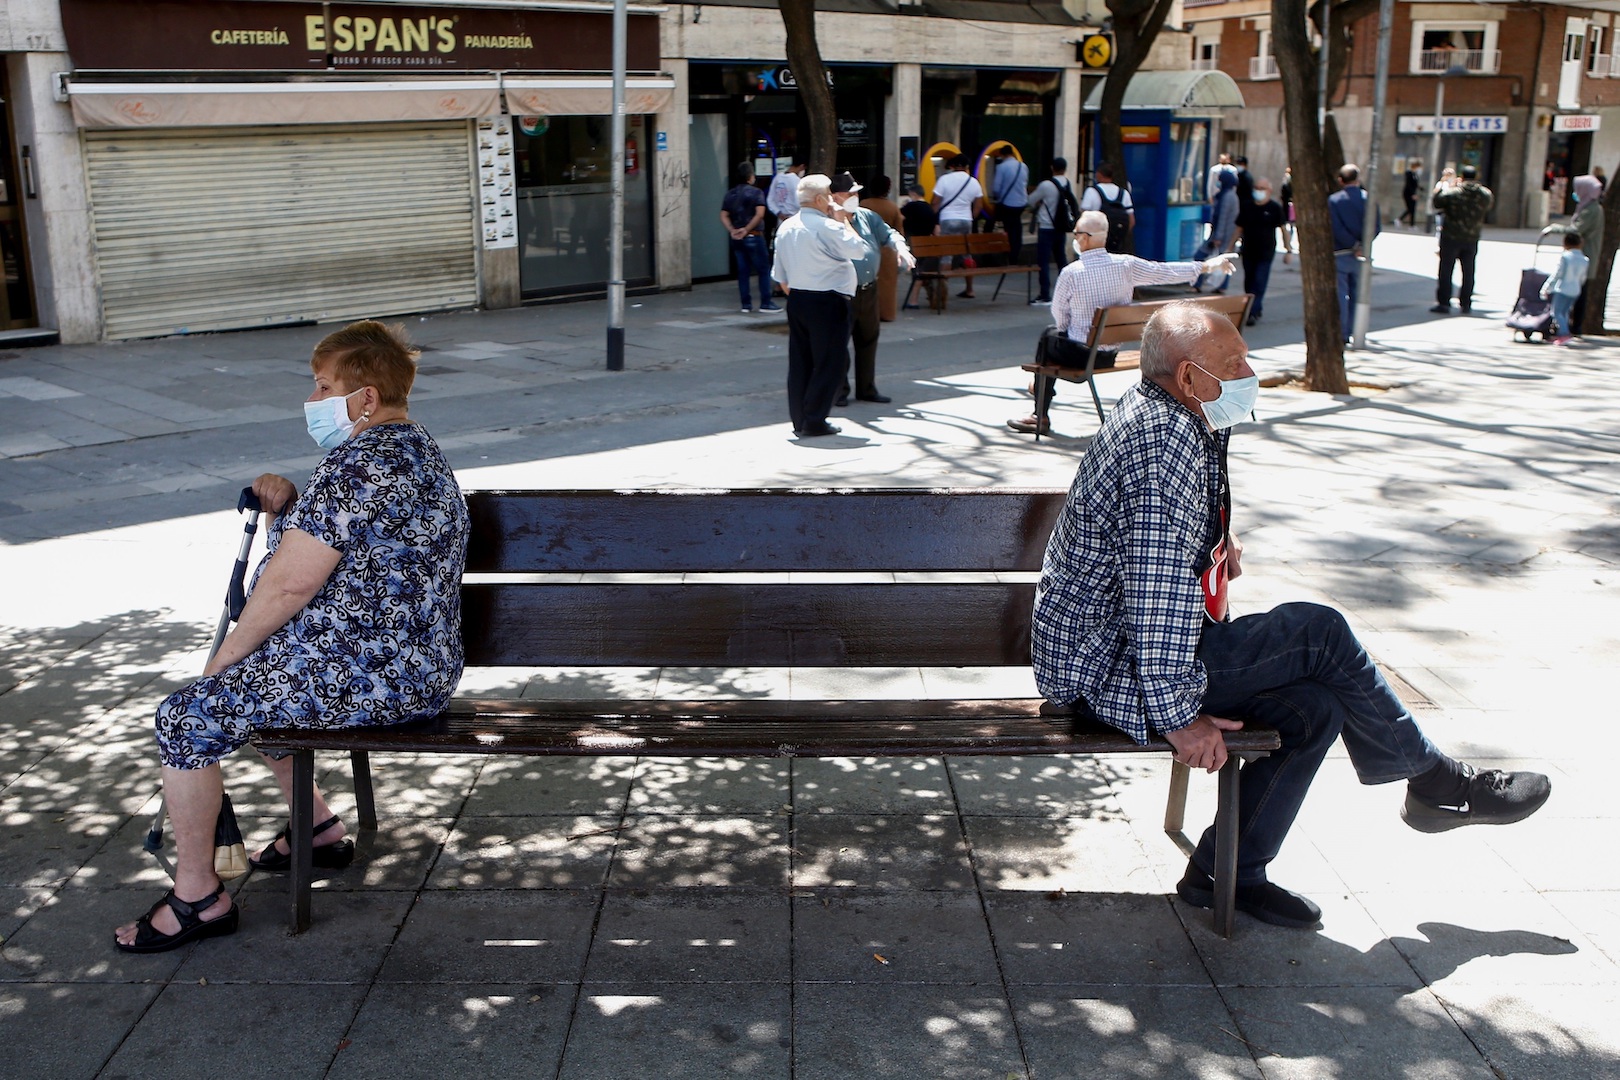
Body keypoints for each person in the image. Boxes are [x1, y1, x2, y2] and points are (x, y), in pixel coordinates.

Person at [1031, 301, 1551, 929]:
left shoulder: (1175, 411)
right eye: (1234, 363)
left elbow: (1157, 550)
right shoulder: (1161, 442)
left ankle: (1228, 873)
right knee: (1318, 630)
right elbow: (1154, 588)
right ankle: (1439, 783)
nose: (1250, 371)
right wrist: (1177, 718)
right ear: (1191, 378)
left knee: (1316, 709)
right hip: (1106, 668)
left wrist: (1213, 537)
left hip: (1120, 648)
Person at [113, 320, 471, 953]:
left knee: (186, 716)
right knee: (259, 683)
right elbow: (353, 555)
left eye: (322, 385)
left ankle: (199, 895)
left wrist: (221, 662)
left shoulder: (358, 467)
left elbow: (286, 589)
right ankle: (319, 829)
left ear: (363, 398)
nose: (312, 401)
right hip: (413, 667)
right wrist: (288, 506)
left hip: (374, 676)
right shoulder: (416, 452)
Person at [1006, 210, 1235, 435]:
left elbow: (1060, 317)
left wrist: (1067, 331)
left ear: (1085, 238)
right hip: (1108, 355)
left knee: (1049, 336)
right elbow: (1164, 271)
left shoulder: (1071, 273)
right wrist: (1208, 265)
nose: (1075, 238)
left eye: (1076, 234)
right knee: (1050, 337)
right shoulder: (1126, 265)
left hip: (1081, 355)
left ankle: (1040, 410)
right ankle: (1039, 391)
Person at [770, 173, 869, 439]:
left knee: (801, 361)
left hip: (800, 298)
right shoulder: (828, 225)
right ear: (819, 199)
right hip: (828, 300)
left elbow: (780, 275)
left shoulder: (786, 226)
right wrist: (842, 221)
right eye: (828, 194)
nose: (832, 199)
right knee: (829, 362)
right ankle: (814, 418)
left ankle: (801, 418)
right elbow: (859, 250)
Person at [829, 171, 914, 407]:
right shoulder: (829, 221)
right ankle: (839, 391)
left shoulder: (867, 217)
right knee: (839, 343)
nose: (855, 196)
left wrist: (902, 249)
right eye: (850, 193)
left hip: (868, 288)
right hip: (841, 292)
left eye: (857, 192)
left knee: (868, 339)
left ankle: (867, 388)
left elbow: (889, 234)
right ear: (835, 196)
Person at [1429, 163, 1492, 315]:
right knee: (1469, 271)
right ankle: (1466, 303)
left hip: (1451, 236)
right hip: (1471, 238)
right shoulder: (1485, 194)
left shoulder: (1453, 193)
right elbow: (1488, 206)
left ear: (1461, 177)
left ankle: (1444, 303)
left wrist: (1446, 185)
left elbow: (1437, 202)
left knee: (1446, 271)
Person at [1328, 163, 1379, 338]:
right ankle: (1354, 330)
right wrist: (1362, 245)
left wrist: (1352, 245)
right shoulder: (1368, 199)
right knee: (1357, 294)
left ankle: (1342, 333)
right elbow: (1375, 226)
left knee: (1341, 294)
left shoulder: (1334, 200)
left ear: (1341, 180)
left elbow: (1335, 227)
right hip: (1361, 255)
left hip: (1341, 252)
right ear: (1358, 179)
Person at [1233, 176, 1291, 325]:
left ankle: (1252, 311)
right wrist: (1229, 248)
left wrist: (1288, 250)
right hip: (1248, 251)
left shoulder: (1274, 208)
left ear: (1269, 191)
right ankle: (1255, 308)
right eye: (1256, 188)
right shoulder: (1247, 206)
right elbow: (1239, 228)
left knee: (1260, 281)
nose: (1258, 191)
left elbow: (1284, 229)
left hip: (1266, 252)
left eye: (1262, 188)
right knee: (1249, 282)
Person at [722, 163, 777, 315]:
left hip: (737, 238)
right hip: (754, 235)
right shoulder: (756, 193)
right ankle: (765, 302)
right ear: (750, 176)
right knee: (763, 270)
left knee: (743, 271)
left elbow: (723, 214)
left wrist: (732, 230)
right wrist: (747, 229)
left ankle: (745, 304)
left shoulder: (730, 194)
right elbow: (759, 214)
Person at [931, 154, 985, 298]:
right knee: (967, 255)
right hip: (966, 221)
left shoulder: (944, 180)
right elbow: (979, 205)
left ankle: (942, 290)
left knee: (946, 256)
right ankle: (969, 289)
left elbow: (935, 202)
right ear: (967, 167)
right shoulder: (973, 182)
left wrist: (933, 221)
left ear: (952, 166)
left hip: (947, 220)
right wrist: (971, 217)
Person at [1028, 158, 1080, 304]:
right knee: (1061, 260)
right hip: (1060, 227)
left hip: (1046, 227)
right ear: (1065, 168)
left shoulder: (1046, 185)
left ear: (1052, 168)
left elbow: (1030, 200)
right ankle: (1067, 292)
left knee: (1043, 262)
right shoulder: (1067, 183)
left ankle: (1045, 293)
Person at [860, 175, 905, 322]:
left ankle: (868, 313)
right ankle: (887, 313)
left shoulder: (864, 204)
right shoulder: (893, 207)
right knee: (888, 285)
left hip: (867, 247)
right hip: (887, 250)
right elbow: (899, 230)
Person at [1566, 174, 1604, 334]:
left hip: (1584, 256)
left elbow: (1577, 230)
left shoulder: (1591, 210)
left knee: (1578, 292)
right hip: (1583, 256)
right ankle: (1573, 325)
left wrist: (1557, 228)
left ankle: (1575, 326)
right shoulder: (1588, 206)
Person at [1195, 168, 1240, 293]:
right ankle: (1220, 286)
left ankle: (1199, 283)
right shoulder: (1227, 195)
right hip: (1222, 234)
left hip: (1222, 236)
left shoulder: (1227, 197)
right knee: (1222, 259)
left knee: (1201, 256)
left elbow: (1223, 217)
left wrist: (1218, 237)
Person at [1541, 231, 1589, 345]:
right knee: (1565, 311)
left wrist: (1547, 287)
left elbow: (1558, 274)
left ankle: (1564, 333)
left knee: (1556, 312)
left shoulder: (1566, 257)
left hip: (1563, 288)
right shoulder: (1585, 259)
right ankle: (1564, 332)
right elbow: (1583, 277)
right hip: (1576, 289)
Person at [900, 183, 940, 311]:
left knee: (917, 272)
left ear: (913, 194)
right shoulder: (929, 208)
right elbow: (937, 229)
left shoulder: (910, 206)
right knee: (923, 270)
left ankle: (914, 300)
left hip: (914, 243)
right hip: (927, 243)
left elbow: (899, 218)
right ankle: (931, 297)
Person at [1080, 161, 1134, 255]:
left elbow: (1084, 218)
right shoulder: (1124, 193)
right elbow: (1131, 220)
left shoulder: (1092, 191)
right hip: (1117, 242)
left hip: (1096, 243)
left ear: (1098, 174)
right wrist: (1119, 236)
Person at [990, 145, 1031, 264]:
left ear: (1002, 155)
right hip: (1021, 202)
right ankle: (1016, 253)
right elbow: (1024, 183)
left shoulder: (1001, 167)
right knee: (1017, 228)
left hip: (1007, 203)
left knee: (1008, 228)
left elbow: (996, 188)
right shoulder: (1023, 166)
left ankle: (1009, 254)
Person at [1400, 160, 1422, 227]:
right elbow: (1409, 184)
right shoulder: (1409, 173)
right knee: (1410, 209)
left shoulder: (1415, 174)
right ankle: (1400, 220)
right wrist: (1413, 194)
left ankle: (1411, 224)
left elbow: (1415, 184)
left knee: (1412, 209)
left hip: (1413, 193)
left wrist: (1420, 188)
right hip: (1408, 193)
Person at [1279, 166, 1295, 251]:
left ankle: (1287, 243)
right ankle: (1288, 243)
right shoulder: (1289, 183)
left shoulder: (1286, 183)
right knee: (1290, 225)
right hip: (1290, 206)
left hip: (1287, 206)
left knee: (1287, 226)